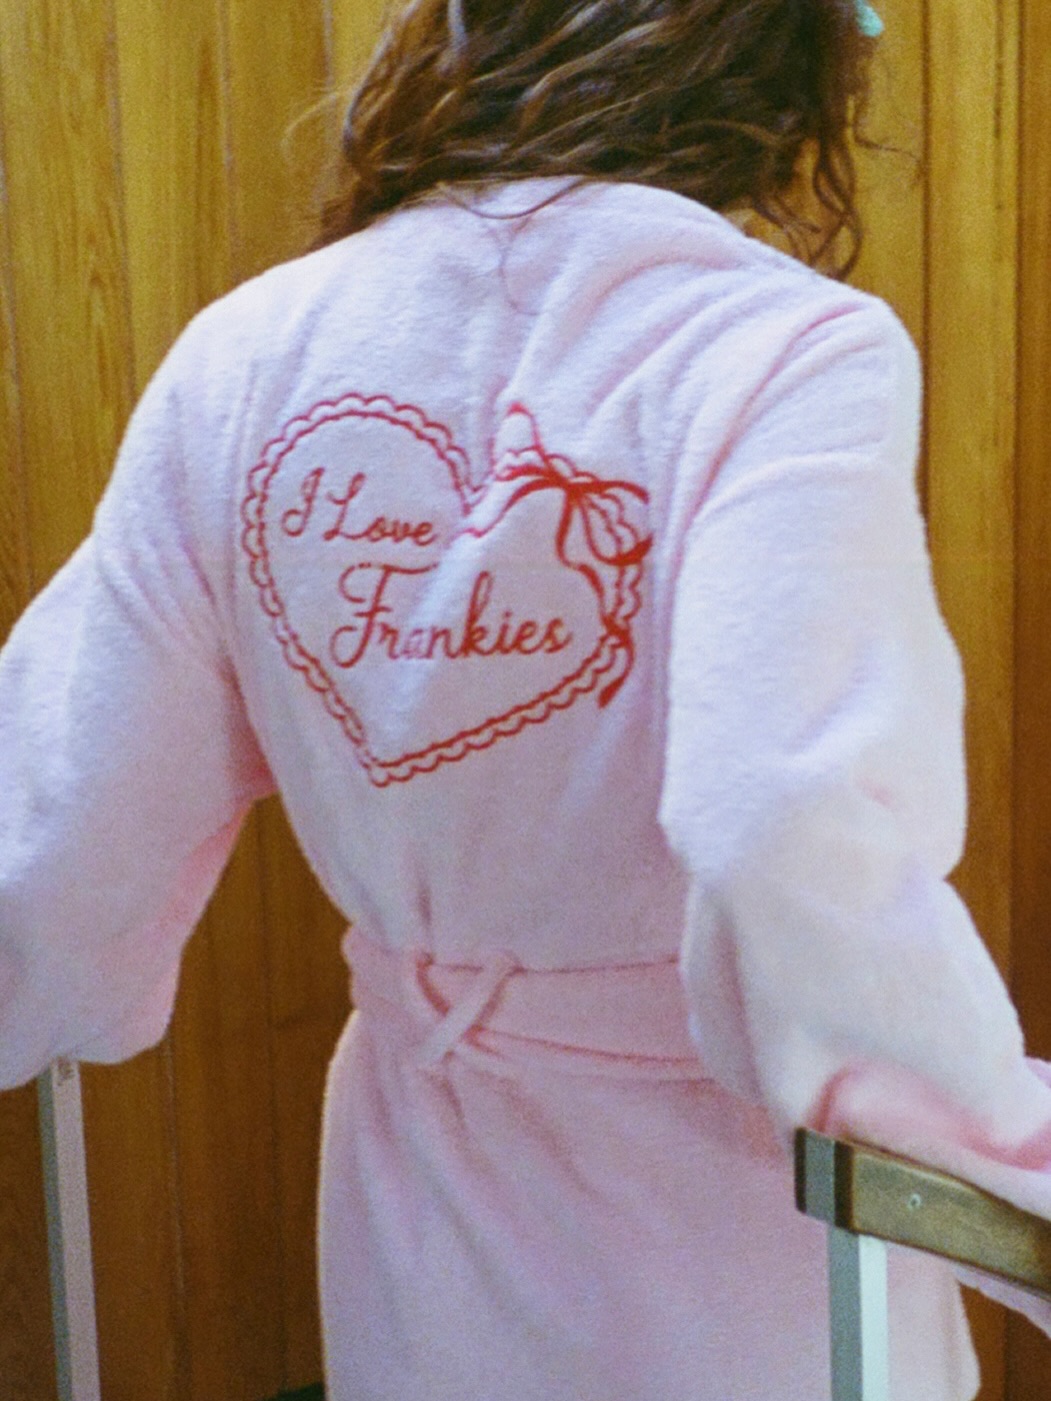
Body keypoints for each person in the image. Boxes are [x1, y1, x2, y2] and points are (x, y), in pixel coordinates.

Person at [3, 1, 1051, 1397]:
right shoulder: (778, 350)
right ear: (783, 72)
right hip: (729, 1233)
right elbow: (782, 820)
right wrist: (998, 1147)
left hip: (418, 1204)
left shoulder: (244, 360)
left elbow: (53, 833)